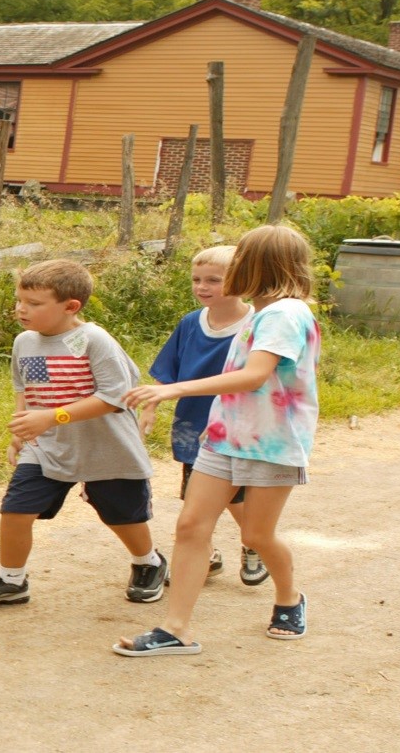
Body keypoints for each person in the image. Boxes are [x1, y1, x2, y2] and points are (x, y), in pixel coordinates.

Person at [114, 225, 320, 656]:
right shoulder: (261, 315)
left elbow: (254, 375)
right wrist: (218, 417)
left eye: (241, 256)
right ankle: (175, 629)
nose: (234, 265)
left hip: (271, 444)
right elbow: (241, 381)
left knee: (259, 536)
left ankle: (289, 599)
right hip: (225, 438)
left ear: (259, 265)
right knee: (191, 527)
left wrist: (173, 390)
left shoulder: (285, 313)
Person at [0, 259, 163, 610]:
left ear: (71, 306)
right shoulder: (25, 342)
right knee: (16, 511)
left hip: (107, 448)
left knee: (123, 516)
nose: (21, 309)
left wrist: (53, 417)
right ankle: (11, 580)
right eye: (19, 300)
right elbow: (26, 389)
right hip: (46, 446)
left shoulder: (93, 339)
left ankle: (148, 563)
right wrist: (21, 430)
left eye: (34, 304)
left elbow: (115, 397)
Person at [140, 245, 268, 586]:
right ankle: (206, 554)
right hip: (192, 422)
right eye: (197, 279)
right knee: (194, 492)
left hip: (235, 425)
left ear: (240, 280)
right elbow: (167, 372)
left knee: (237, 497)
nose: (202, 286)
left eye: (213, 279)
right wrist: (151, 406)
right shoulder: (189, 323)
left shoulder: (257, 323)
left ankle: (254, 543)